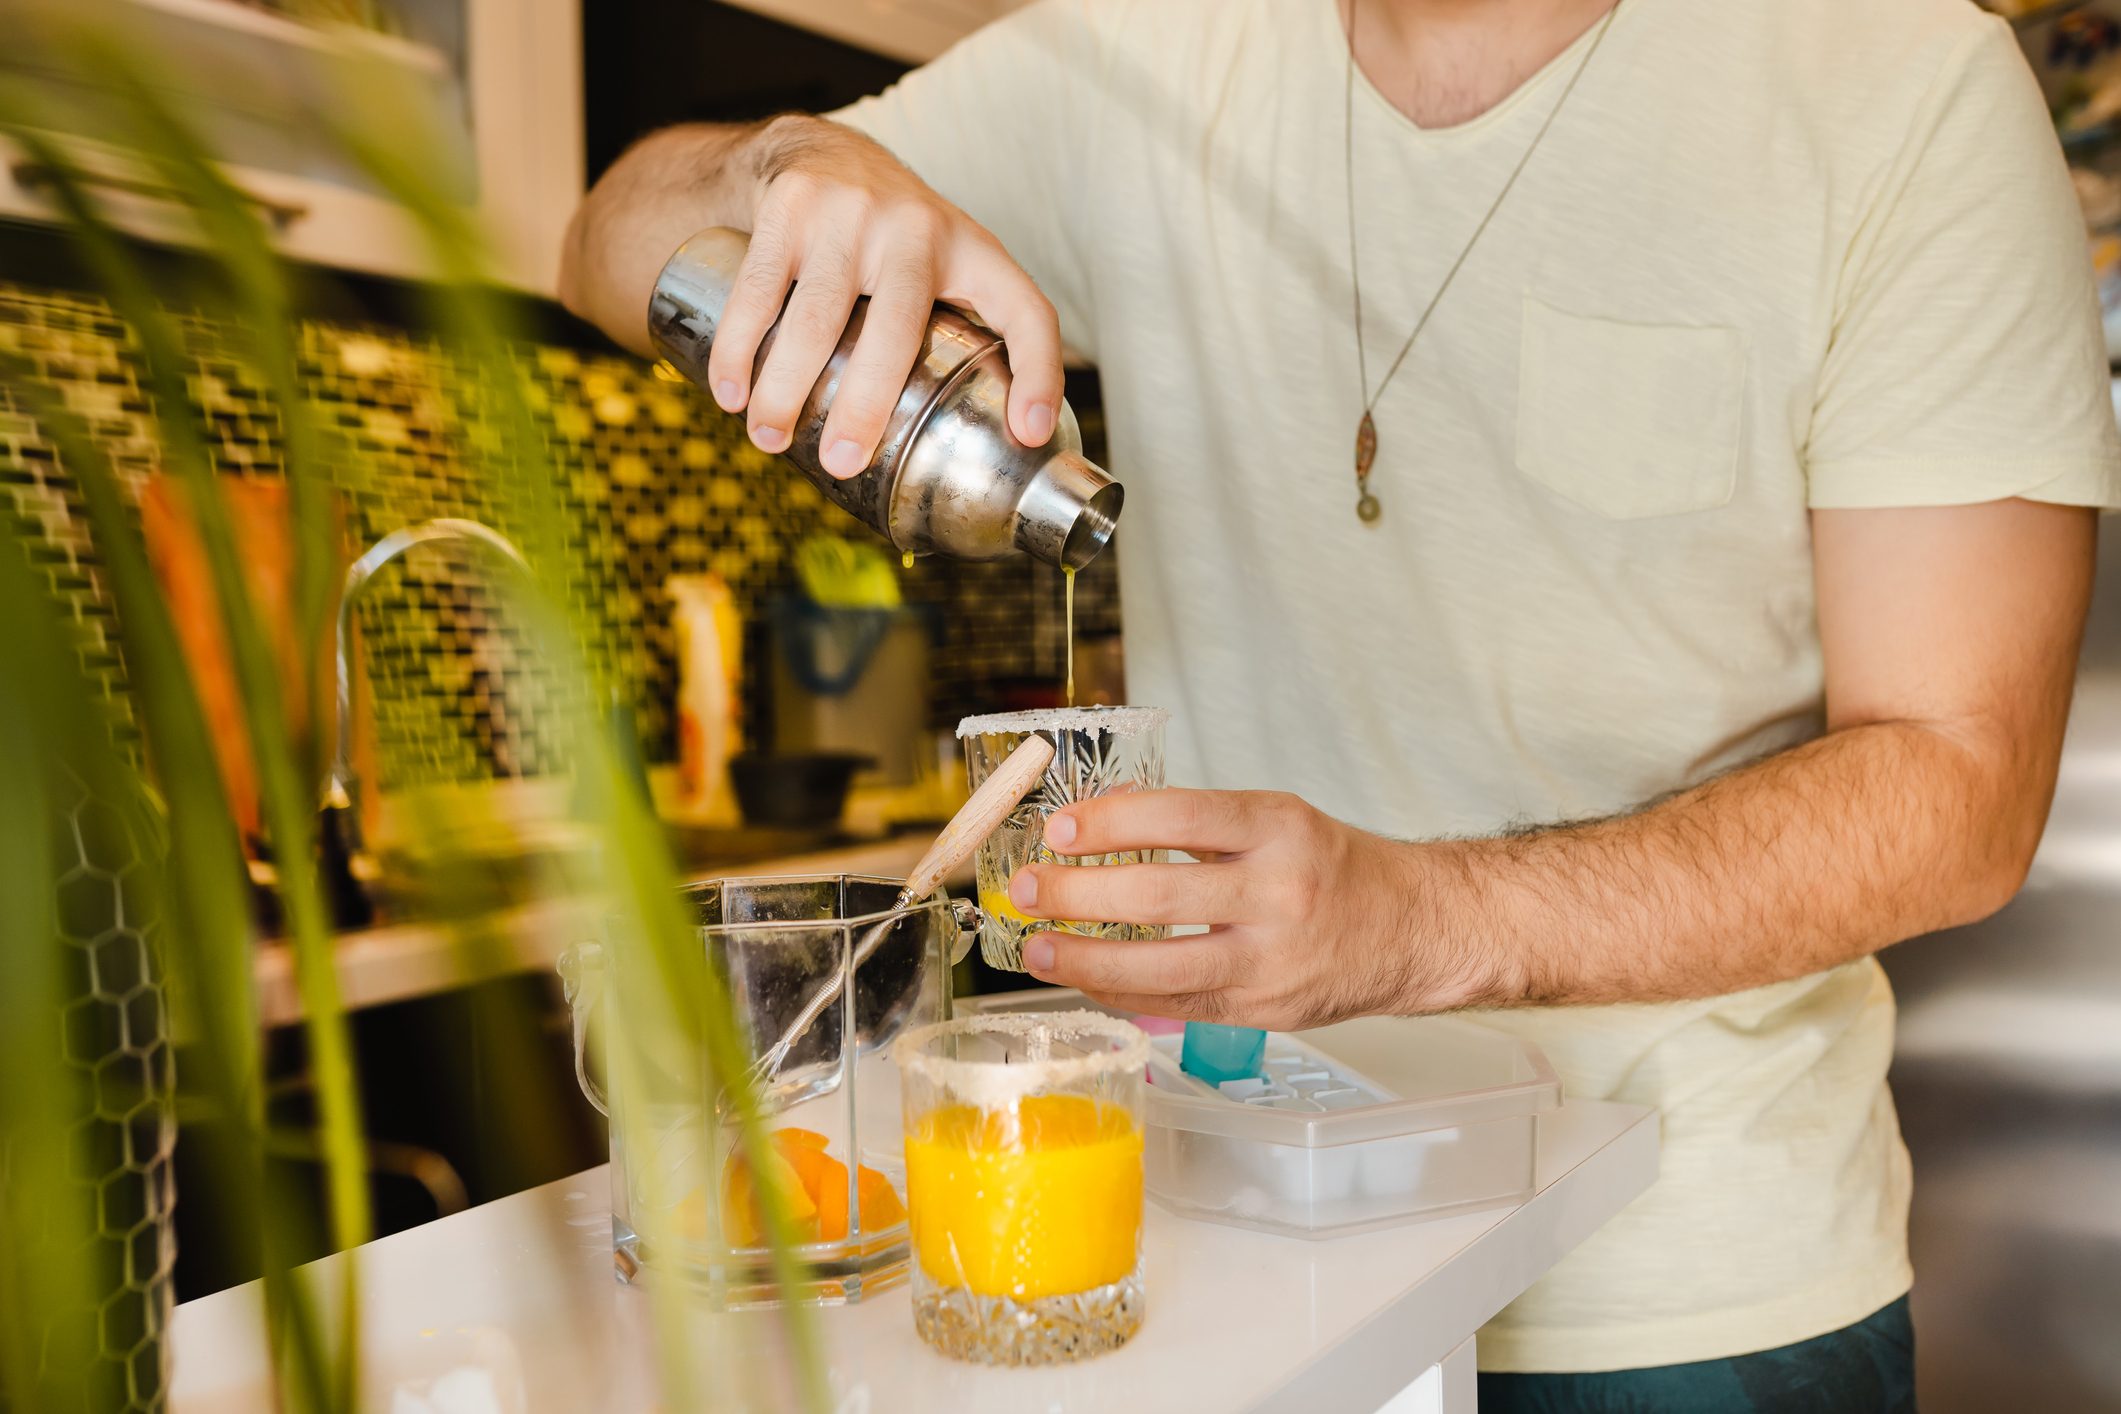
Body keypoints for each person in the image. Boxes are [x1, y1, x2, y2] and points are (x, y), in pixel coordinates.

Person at [561, 0, 2120, 1405]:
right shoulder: (1143, 62)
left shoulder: (1898, 87)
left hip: (1685, 1302)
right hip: (1225, 1268)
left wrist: (1412, 916)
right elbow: (608, 239)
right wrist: (796, 167)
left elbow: (1958, 786)